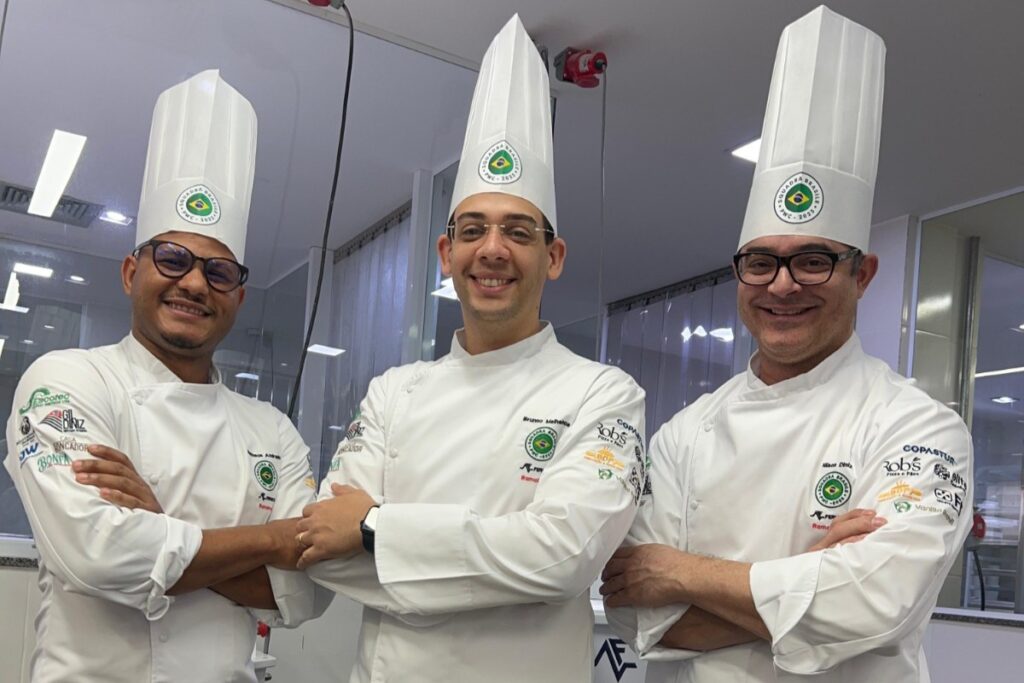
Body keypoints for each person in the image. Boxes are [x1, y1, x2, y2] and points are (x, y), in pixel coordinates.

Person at [601, 7, 973, 682]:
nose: (782, 285)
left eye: (813, 260)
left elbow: (877, 603)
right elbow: (633, 610)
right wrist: (812, 578)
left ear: (862, 274)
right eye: (761, 262)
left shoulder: (919, 427)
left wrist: (682, 572)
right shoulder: (684, 434)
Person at [293, 15, 647, 683]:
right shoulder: (393, 392)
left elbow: (563, 558)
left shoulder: (603, 394)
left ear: (554, 256)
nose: (493, 249)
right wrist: (493, 567)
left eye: (518, 231)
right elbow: (323, 551)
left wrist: (375, 531)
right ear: (445, 252)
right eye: (473, 229)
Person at [4, 70, 327, 683]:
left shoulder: (271, 430)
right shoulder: (67, 381)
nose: (195, 283)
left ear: (238, 296)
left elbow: (309, 594)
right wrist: (270, 539)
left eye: (218, 271)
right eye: (173, 259)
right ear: (132, 272)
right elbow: (97, 555)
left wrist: (159, 525)